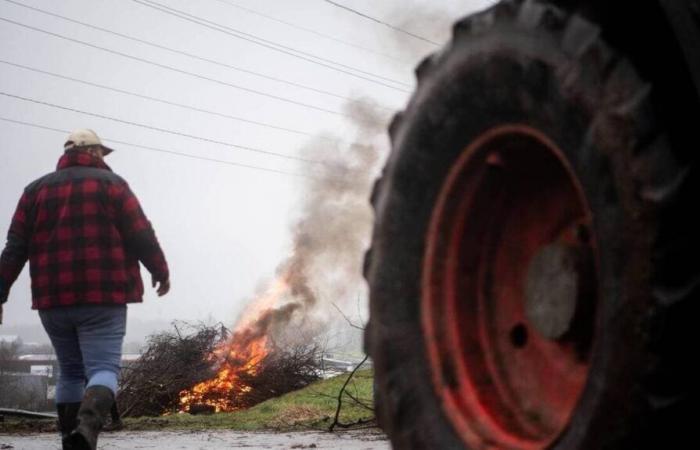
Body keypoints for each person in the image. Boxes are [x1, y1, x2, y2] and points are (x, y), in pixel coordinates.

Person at [0, 129, 170, 450]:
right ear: (92, 152)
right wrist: (159, 271)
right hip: (103, 297)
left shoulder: (34, 191)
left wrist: (0, 292)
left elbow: (14, 249)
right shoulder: (113, 186)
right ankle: (87, 431)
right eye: (100, 153)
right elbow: (141, 234)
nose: (102, 159)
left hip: (53, 300)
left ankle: (68, 438)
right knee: (103, 369)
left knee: (70, 372)